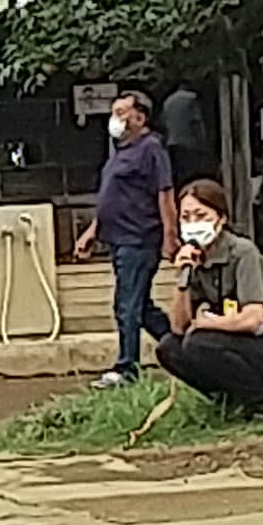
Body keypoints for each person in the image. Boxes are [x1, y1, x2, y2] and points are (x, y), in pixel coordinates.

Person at [155, 179, 263, 419]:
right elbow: (178, 326)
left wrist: (205, 324)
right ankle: (230, 397)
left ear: (221, 218)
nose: (193, 224)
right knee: (169, 347)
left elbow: (253, 319)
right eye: (186, 217)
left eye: (201, 215)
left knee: (200, 342)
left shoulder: (242, 253)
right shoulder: (195, 259)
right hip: (233, 345)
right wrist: (181, 281)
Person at [75, 90, 177, 389]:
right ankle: (182, 348)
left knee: (127, 305)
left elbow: (165, 193)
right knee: (140, 306)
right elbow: (112, 197)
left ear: (140, 117)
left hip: (140, 238)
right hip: (117, 238)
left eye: (122, 112)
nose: (115, 119)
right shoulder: (119, 151)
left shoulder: (151, 149)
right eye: (114, 112)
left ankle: (126, 368)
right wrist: (93, 231)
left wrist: (170, 237)